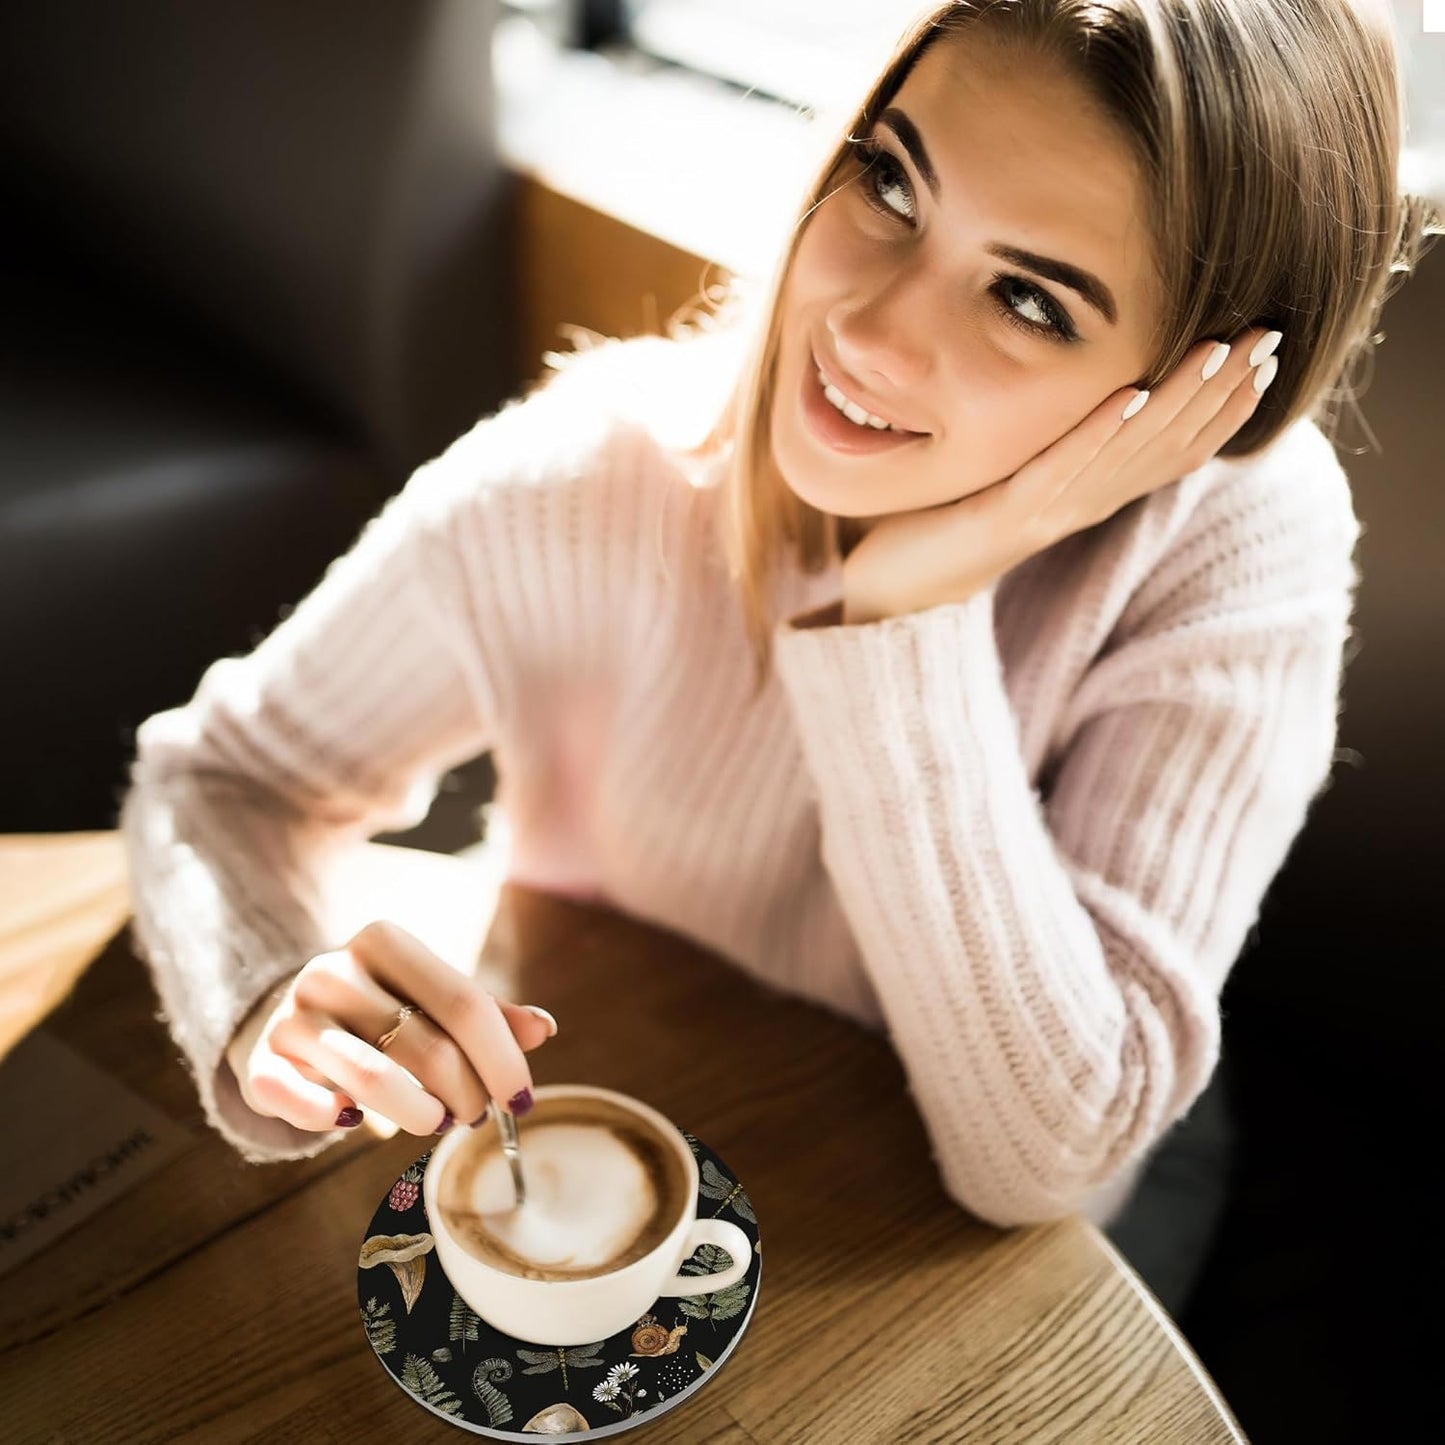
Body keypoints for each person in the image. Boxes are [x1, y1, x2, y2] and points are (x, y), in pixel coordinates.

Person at [120, 0, 1437, 1237]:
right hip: (641, 1094)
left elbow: (1049, 1157)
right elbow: (221, 776)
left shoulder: (1236, 538)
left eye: (1027, 298)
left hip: (1007, 1240)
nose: (867, 332)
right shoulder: (593, 476)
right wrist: (267, 993)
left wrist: (903, 618)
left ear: (1190, 402)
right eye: (890, 181)